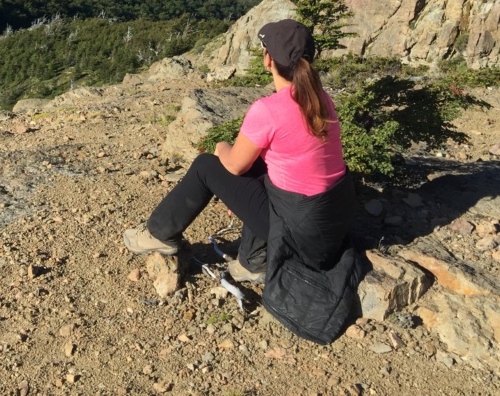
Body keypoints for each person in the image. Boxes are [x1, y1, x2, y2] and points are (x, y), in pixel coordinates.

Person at [123, 19, 360, 341]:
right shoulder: (321, 99)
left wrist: (221, 147)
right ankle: (252, 260)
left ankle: (159, 233)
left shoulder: (269, 109)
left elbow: (234, 165)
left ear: (267, 59)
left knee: (207, 166)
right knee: (263, 170)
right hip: (330, 224)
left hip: (295, 234)